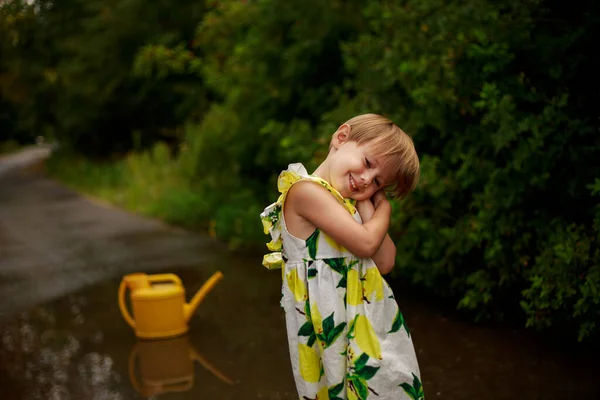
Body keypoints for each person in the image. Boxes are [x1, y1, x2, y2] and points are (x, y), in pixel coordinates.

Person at [260, 114, 424, 400]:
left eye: (377, 184)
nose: (365, 181)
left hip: (367, 324)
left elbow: (385, 260)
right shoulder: (304, 191)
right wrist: (384, 207)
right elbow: (366, 243)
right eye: (368, 164)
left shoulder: (348, 202)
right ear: (341, 137)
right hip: (331, 329)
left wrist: (368, 205)